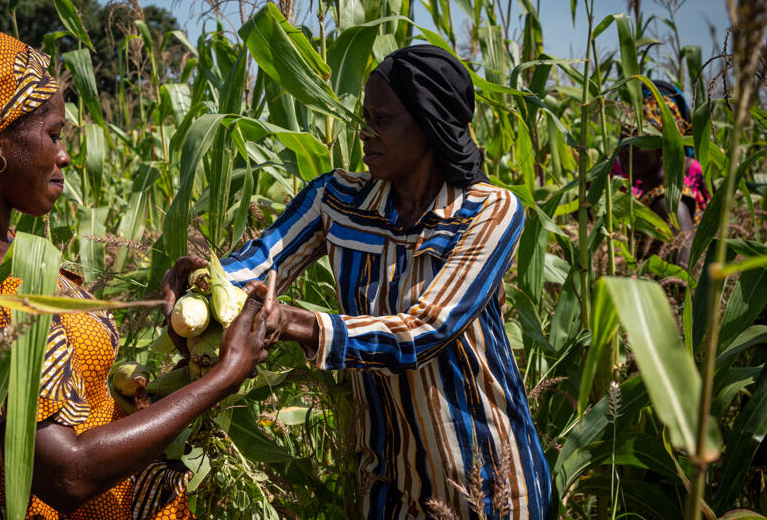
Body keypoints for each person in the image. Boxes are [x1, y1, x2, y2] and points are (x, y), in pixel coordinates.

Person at [0, 20, 270, 519]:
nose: (64, 155)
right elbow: (68, 473)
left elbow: (84, 405)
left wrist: (192, 351)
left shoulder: (10, 256)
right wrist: (224, 377)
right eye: (54, 135)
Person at [164, 45, 551, 519]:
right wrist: (202, 282)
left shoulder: (488, 211)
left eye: (381, 120)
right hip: (388, 486)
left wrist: (295, 323)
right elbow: (259, 263)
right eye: (365, 118)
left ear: (428, 124)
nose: (365, 133)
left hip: (488, 483)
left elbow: (423, 331)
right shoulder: (337, 200)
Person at [611, 80, 710, 265]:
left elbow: (685, 274)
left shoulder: (668, 203)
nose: (626, 148)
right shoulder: (652, 199)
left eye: (638, 140)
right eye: (623, 138)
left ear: (664, 145)